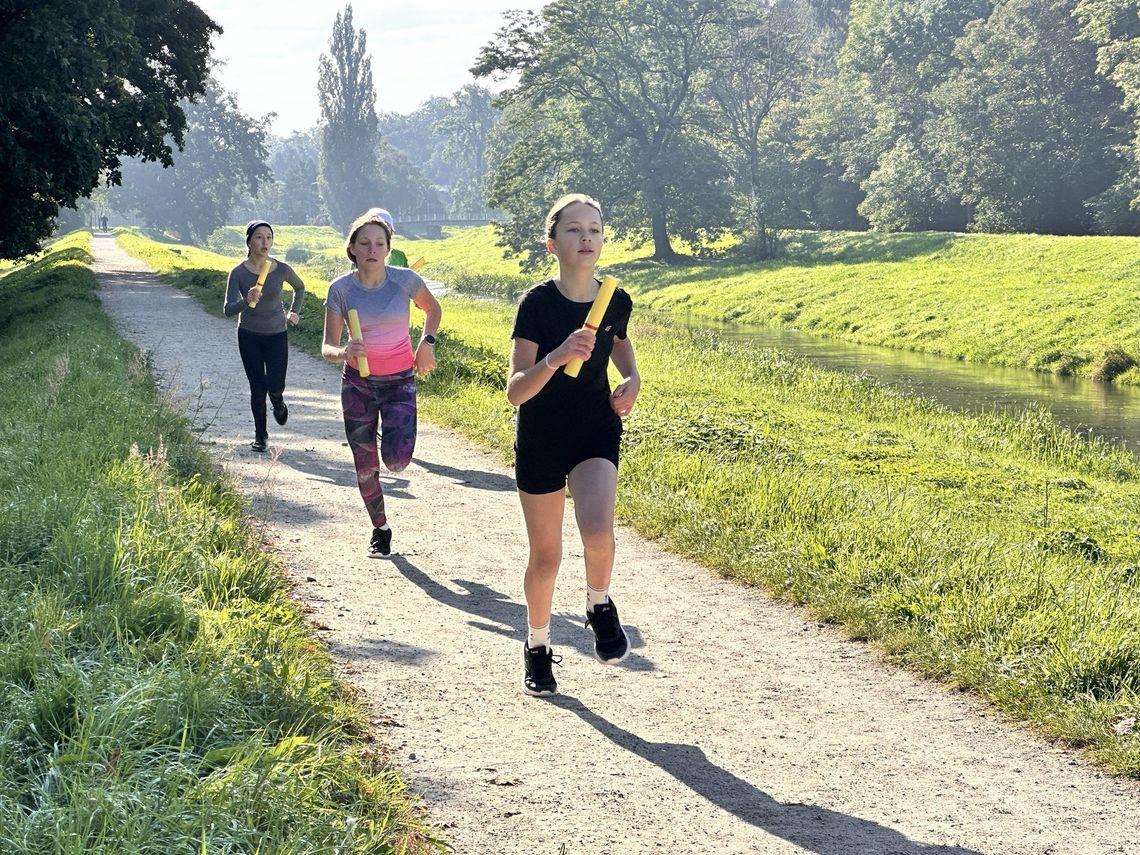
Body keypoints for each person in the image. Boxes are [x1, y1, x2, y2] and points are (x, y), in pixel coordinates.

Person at [506, 193, 642, 696]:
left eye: (595, 229)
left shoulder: (615, 298)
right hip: (541, 436)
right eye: (573, 230)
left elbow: (621, 346)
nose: (586, 238)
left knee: (598, 532)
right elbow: (515, 389)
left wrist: (632, 379)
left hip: (594, 429)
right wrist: (557, 356)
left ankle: (598, 603)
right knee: (546, 556)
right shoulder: (536, 304)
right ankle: (537, 646)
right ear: (552, 243)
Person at [321, 210, 441, 557]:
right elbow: (327, 347)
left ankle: (387, 434)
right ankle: (380, 529)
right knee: (365, 465)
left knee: (397, 461)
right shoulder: (340, 289)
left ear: (388, 249)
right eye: (364, 243)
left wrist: (426, 343)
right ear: (353, 249)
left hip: (400, 381)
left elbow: (433, 310)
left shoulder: (405, 281)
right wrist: (344, 351)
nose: (372, 249)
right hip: (358, 384)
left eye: (379, 243)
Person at [223, 220, 305, 452]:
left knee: (275, 384)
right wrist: (246, 300)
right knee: (257, 386)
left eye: (268, 237)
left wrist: (294, 312)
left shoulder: (280, 269)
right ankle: (260, 435)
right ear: (249, 242)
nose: (265, 242)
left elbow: (300, 288)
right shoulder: (238, 273)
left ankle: (278, 401)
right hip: (249, 335)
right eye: (259, 237)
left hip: (277, 333)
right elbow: (228, 310)